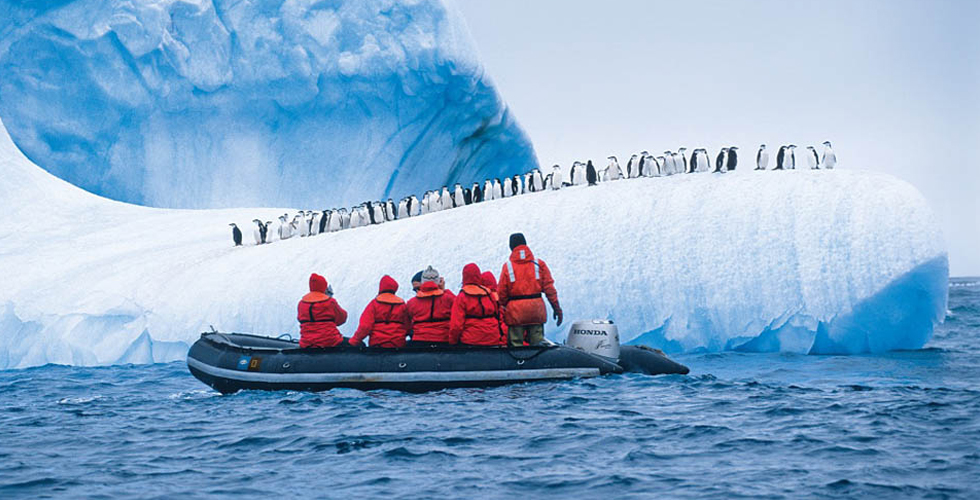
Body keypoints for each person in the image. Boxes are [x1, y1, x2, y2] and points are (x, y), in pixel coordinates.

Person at [497, 233, 562, 347]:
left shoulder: (508, 266)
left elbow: (501, 293)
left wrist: (502, 309)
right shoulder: (539, 264)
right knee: (537, 345)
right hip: (536, 311)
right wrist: (556, 308)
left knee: (515, 347)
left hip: (516, 313)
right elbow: (549, 289)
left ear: (511, 247)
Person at [449, 263, 505, 346]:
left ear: (464, 277)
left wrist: (452, 343)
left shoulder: (461, 297)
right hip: (493, 339)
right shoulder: (489, 294)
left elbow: (456, 325)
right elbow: (498, 316)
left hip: (470, 341)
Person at [349, 275, 412, 348]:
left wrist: (354, 341)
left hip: (377, 344)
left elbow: (365, 327)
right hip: (398, 345)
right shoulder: (402, 305)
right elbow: (408, 327)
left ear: (381, 287)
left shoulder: (374, 304)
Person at [406, 266, 455, 346]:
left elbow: (407, 326)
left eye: (418, 288)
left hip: (419, 341)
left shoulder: (411, 303)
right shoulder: (448, 299)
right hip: (443, 340)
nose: (417, 291)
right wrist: (443, 290)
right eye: (415, 290)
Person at [298, 273, 348, 348]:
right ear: (324, 287)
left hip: (307, 343)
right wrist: (329, 297)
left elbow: (301, 320)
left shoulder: (301, 303)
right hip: (330, 341)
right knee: (360, 344)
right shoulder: (330, 302)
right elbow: (342, 319)